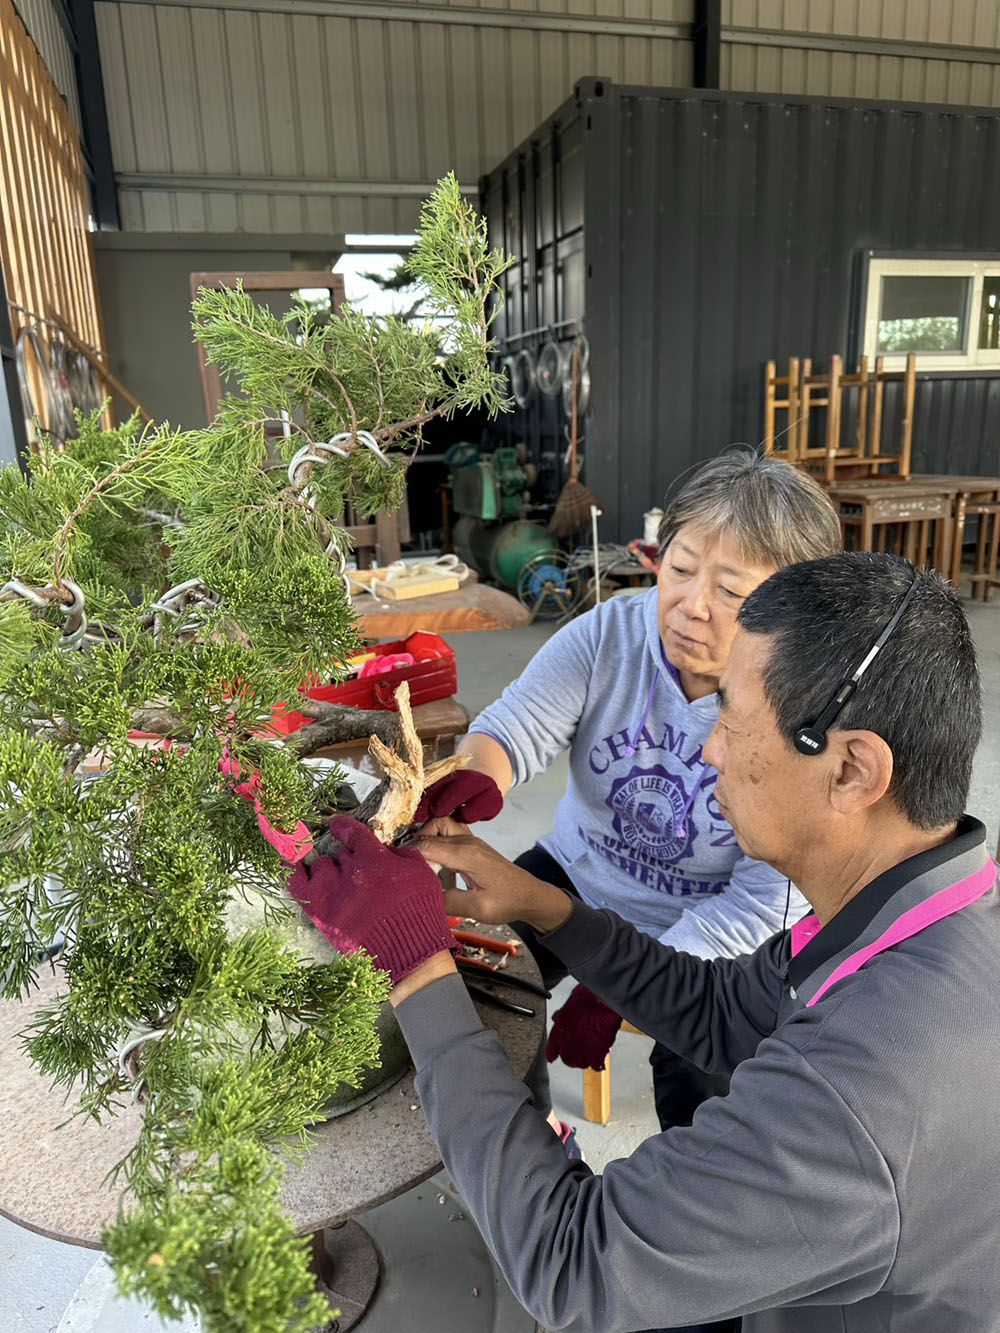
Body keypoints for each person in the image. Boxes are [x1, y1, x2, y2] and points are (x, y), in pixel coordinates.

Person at [288, 552, 1000, 1332]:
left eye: (732, 717)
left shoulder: (870, 1088)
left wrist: (418, 964)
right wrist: (552, 909)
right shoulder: (904, 911)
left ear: (853, 769)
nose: (708, 749)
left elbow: (570, 1265)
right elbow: (727, 1009)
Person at [418, 448, 842, 1139]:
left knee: (712, 1064)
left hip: (709, 924)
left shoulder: (802, 708)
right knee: (475, 985)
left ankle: (692, 1200)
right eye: (678, 568)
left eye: (732, 592)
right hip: (579, 874)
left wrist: (618, 984)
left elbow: (762, 901)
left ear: (790, 607)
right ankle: (525, 1141)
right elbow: (516, 726)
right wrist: (464, 782)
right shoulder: (610, 634)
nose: (690, 606)